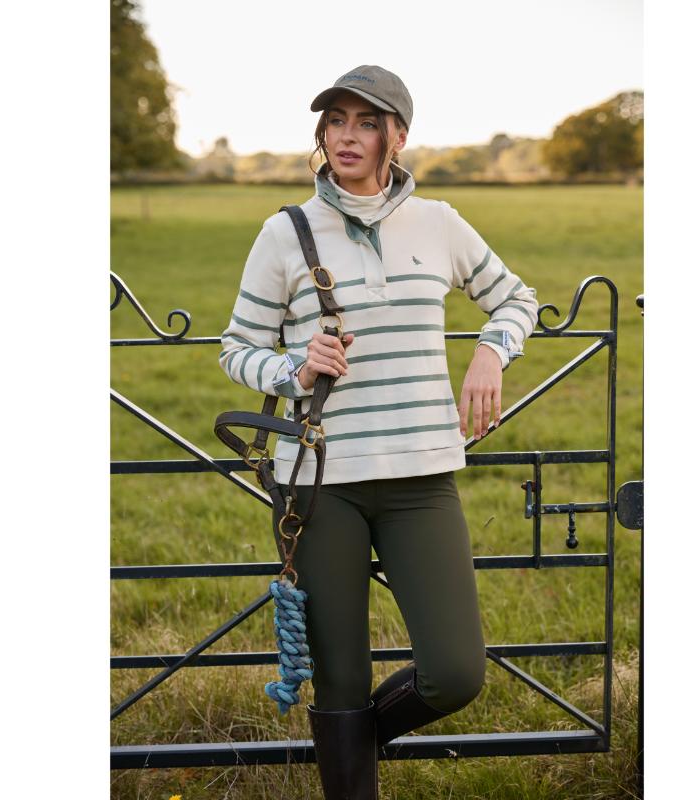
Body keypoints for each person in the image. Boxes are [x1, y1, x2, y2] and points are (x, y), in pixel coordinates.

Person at [220, 65, 538, 799]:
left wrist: (490, 352)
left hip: (421, 480)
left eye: (367, 122)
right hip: (319, 484)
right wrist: (294, 368)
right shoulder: (285, 232)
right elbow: (235, 348)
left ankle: (348, 741)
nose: (348, 136)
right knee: (340, 681)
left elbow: (516, 299)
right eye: (336, 121)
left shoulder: (439, 223)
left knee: (455, 672)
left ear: (398, 136)